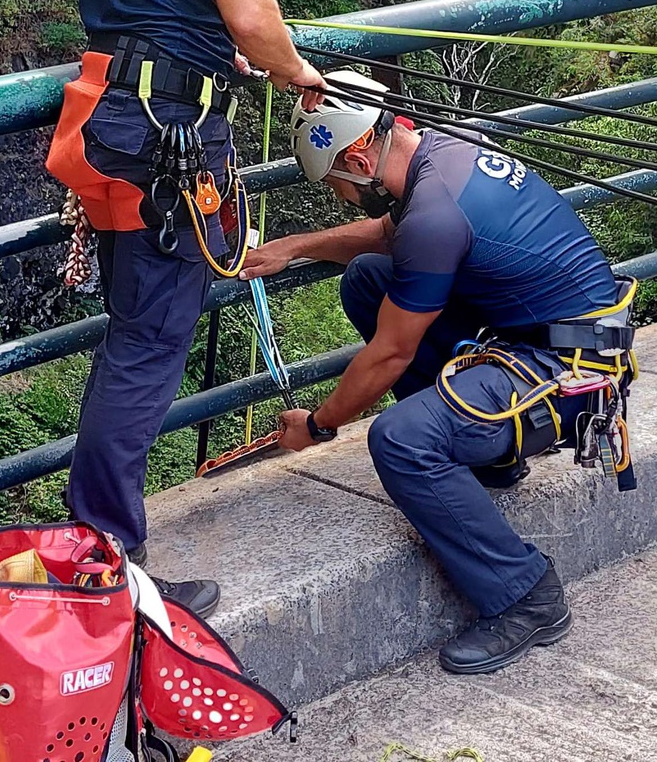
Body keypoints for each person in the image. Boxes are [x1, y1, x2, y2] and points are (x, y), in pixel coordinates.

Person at [46, 0, 324, 615]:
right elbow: (250, 9)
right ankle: (106, 570)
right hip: (172, 132)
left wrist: (194, 37)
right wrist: (289, 68)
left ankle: (96, 554)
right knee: (147, 347)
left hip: (109, 110)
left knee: (131, 338)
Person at [241, 69, 636, 673]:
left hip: (571, 375)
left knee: (400, 439)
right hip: (545, 334)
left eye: (337, 184)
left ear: (355, 156)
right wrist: (296, 246)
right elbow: (387, 237)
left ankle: (526, 595)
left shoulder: (432, 215)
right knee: (371, 278)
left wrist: (319, 425)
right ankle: (487, 455)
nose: (339, 196)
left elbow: (392, 353)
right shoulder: (441, 157)